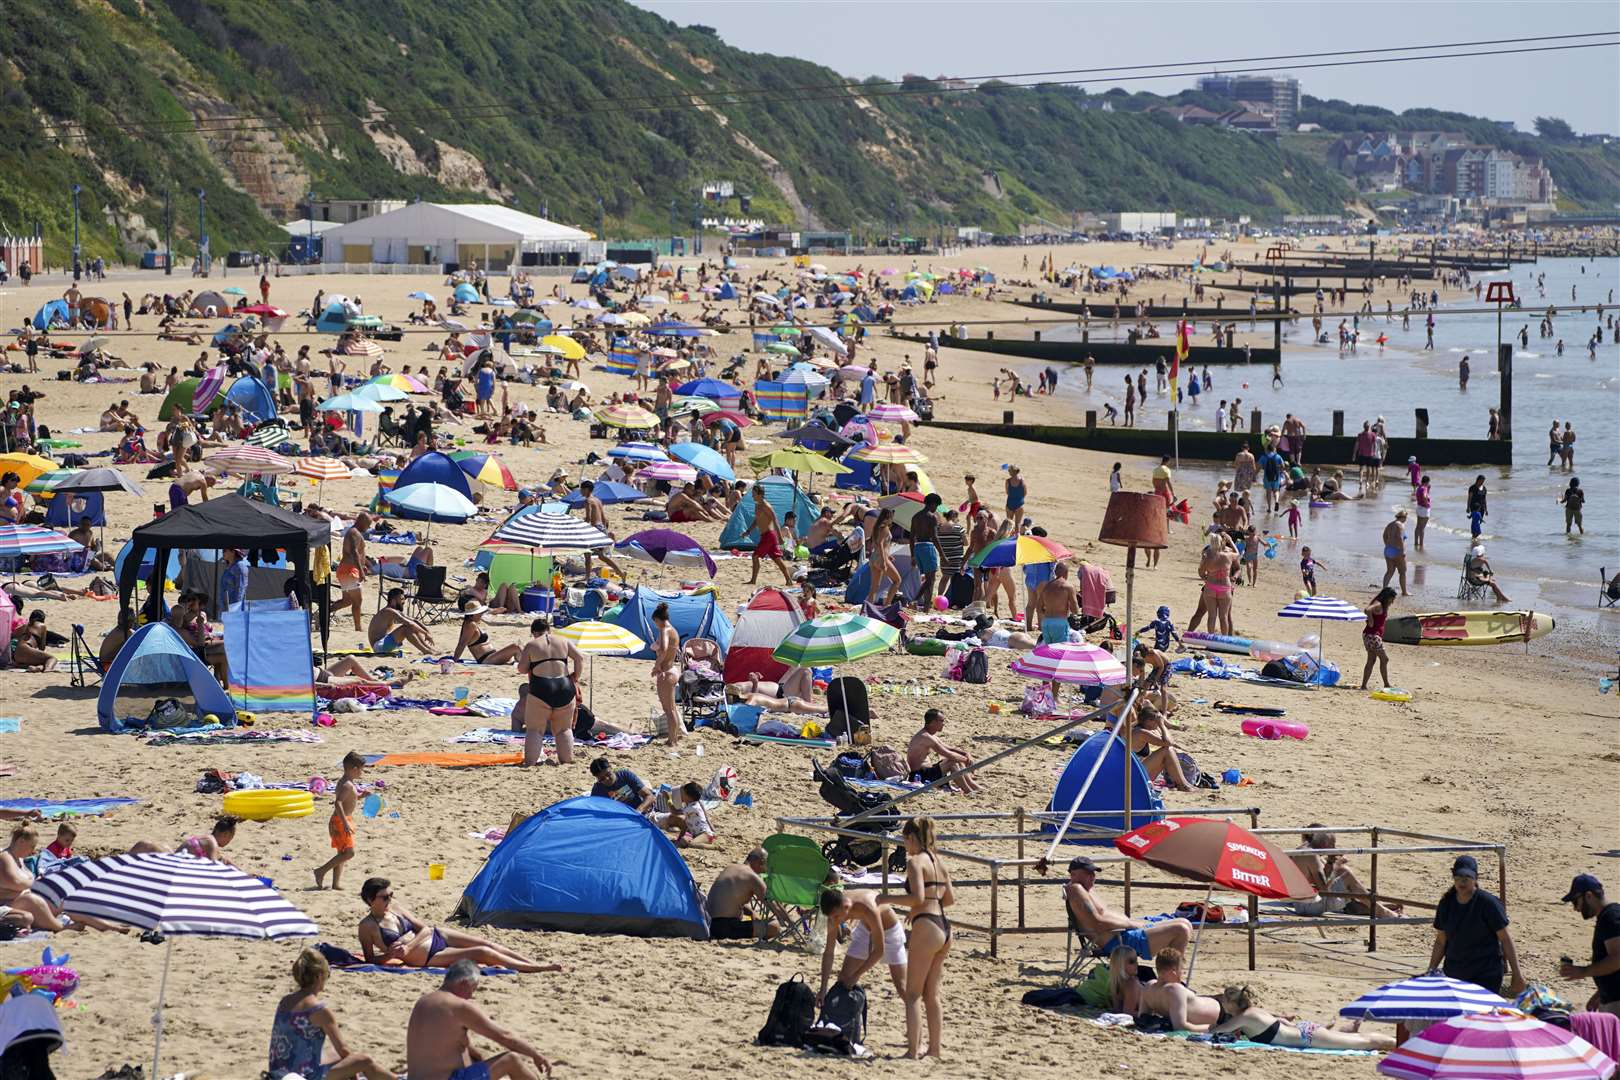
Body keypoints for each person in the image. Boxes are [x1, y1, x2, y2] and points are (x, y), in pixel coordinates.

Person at [361, 879, 561, 975]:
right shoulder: (367, 927)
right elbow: (370, 960)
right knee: (482, 952)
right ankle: (534, 968)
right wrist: (388, 957)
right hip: (428, 956)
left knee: (486, 942)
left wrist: (408, 946)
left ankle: (529, 961)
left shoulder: (395, 908)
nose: (390, 899)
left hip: (435, 937)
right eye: (385, 897)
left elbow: (425, 928)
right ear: (371, 900)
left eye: (391, 895)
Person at [876, 817, 954, 1059]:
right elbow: (949, 899)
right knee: (932, 994)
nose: (904, 845)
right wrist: (916, 908)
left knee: (912, 995)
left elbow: (918, 897)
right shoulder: (938, 861)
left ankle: (912, 1051)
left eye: (904, 840)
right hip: (944, 927)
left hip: (927, 927)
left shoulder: (915, 862)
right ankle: (934, 1049)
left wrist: (886, 899)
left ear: (911, 838)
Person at [406, 960, 554, 1080]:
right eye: (473, 989)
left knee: (477, 1060)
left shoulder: (423, 1001)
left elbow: (453, 1043)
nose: (471, 996)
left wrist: (478, 1058)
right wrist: (536, 1055)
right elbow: (505, 1037)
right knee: (511, 1059)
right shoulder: (458, 1006)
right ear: (464, 983)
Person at [268, 948, 385, 1080]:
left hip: (278, 1074)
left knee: (335, 1056)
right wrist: (354, 1074)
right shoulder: (319, 1009)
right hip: (303, 1076)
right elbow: (344, 1050)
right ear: (319, 976)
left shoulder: (285, 1001)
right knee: (365, 1060)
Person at [1427, 854, 1525, 997]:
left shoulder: (1488, 904)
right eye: (1458, 878)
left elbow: (1505, 939)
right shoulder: (1446, 904)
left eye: (1466, 878)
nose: (1462, 882)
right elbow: (1441, 941)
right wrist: (1431, 971)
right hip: (1455, 973)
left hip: (1486, 974)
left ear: (1475, 878)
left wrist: (1517, 974)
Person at [1064, 855, 1193, 961]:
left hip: (1124, 934)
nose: (1093, 876)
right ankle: (1172, 979)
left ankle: (1170, 976)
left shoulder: (1086, 890)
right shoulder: (1077, 890)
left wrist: (1133, 924)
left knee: (1185, 923)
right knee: (1181, 929)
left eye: (1093, 872)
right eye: (1088, 873)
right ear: (1074, 874)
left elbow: (1101, 917)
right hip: (1120, 942)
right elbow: (1098, 922)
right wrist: (1132, 924)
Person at [1209, 984, 1394, 1050]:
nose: (1221, 1002)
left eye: (1223, 999)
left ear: (1232, 1004)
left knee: (1367, 1042)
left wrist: (1211, 1027)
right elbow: (1280, 1021)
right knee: (1355, 1039)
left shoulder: (1243, 1018)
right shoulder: (1253, 1012)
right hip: (1306, 1032)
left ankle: (1402, 1043)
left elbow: (1216, 1031)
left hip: (1308, 1038)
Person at [819, 886, 909, 1004]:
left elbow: (878, 951)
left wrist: (856, 976)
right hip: (865, 929)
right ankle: (848, 1019)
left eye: (837, 917)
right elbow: (829, 952)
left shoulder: (868, 908)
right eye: (831, 918)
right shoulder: (833, 913)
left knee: (902, 988)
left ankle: (918, 1018)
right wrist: (823, 988)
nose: (835, 921)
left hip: (889, 930)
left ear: (846, 907)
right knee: (844, 979)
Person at [1289, 826, 1402, 918]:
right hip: (1309, 907)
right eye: (1332, 844)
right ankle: (1381, 911)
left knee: (1345, 878)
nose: (1334, 848)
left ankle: (1371, 906)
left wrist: (1330, 862)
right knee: (1345, 873)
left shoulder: (1301, 851)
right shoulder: (1312, 856)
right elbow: (1324, 889)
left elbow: (1318, 879)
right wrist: (1337, 866)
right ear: (1325, 844)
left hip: (1300, 904)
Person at [518, 615, 584, 766]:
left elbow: (521, 669)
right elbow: (579, 658)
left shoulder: (532, 645)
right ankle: (566, 761)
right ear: (549, 629)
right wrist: (575, 677)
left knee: (535, 730)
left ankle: (530, 763)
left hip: (541, 687)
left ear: (534, 632)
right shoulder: (563, 641)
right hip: (564, 686)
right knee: (564, 729)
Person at [1558, 874, 1620, 1016]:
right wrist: (1600, 993)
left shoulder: (1611, 917)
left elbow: (1617, 958)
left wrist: (1584, 971)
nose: (1576, 908)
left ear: (1589, 896)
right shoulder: (1608, 916)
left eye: (1575, 901)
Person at [314, 751, 363, 890]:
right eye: (361, 770)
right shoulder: (346, 784)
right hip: (340, 821)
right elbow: (338, 803)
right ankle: (320, 871)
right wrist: (345, 823)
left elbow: (350, 798)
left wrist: (361, 796)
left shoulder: (348, 782)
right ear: (354, 769)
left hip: (342, 820)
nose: (362, 773)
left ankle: (335, 884)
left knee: (342, 854)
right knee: (349, 853)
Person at [706, 849, 779, 941]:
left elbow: (731, 900)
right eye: (765, 864)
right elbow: (773, 905)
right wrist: (789, 921)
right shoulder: (752, 877)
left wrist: (752, 912)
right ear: (760, 862)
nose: (765, 869)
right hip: (727, 927)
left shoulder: (730, 868)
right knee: (774, 926)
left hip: (709, 923)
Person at [905, 709, 980, 793]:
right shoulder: (925, 737)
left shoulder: (931, 735)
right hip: (919, 775)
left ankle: (974, 786)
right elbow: (949, 754)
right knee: (953, 761)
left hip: (928, 772)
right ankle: (968, 790)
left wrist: (966, 754)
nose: (943, 724)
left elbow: (950, 749)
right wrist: (968, 761)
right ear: (933, 722)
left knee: (958, 761)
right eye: (941, 721)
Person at [744, 483, 793, 586]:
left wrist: (779, 536)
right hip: (765, 535)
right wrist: (748, 531)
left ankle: (753, 580)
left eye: (754, 494)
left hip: (769, 535)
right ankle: (789, 580)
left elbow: (775, 519)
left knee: (755, 556)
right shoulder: (757, 505)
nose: (752, 496)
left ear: (760, 494)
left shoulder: (766, 505)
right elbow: (757, 520)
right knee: (777, 559)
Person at [649, 603, 683, 747]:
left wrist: (657, 666)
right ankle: (673, 738)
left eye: (655, 622)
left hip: (666, 673)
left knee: (668, 710)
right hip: (672, 670)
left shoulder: (665, 630)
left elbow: (663, 650)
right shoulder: (674, 631)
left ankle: (672, 740)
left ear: (658, 620)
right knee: (672, 709)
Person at [369, 587, 438, 654]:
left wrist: (427, 632)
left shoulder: (394, 611)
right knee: (406, 628)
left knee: (412, 626)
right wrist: (425, 633)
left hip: (385, 643)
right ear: (393, 601)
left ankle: (429, 649)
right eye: (401, 599)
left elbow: (414, 621)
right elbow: (409, 623)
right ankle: (426, 651)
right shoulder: (389, 611)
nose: (403, 602)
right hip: (378, 647)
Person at [452, 600, 521, 665]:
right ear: (472, 615)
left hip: (491, 656)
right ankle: (528, 665)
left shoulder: (472, 622)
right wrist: (454, 661)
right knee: (516, 647)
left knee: (518, 648)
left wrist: (494, 611)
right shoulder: (470, 625)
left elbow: (487, 612)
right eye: (479, 613)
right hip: (486, 659)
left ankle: (527, 664)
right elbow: (462, 644)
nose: (481, 614)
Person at [1026, 561, 1079, 645]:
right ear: (1066, 573)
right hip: (1060, 622)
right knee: (1060, 648)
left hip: (1046, 623)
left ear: (1055, 572)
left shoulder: (1047, 586)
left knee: (1048, 649)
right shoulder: (1068, 587)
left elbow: (1039, 608)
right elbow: (1075, 609)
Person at [335, 512, 370, 631]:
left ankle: (323, 613)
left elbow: (357, 553)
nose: (368, 527)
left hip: (346, 570)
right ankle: (358, 628)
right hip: (350, 571)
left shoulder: (353, 532)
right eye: (368, 524)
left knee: (347, 601)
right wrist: (361, 571)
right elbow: (354, 552)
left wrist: (362, 564)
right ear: (361, 521)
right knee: (357, 601)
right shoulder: (354, 532)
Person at [908, 493, 942, 610]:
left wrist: (912, 555)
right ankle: (916, 599)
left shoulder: (915, 516)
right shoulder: (932, 517)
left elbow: (911, 537)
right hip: (928, 547)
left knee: (929, 579)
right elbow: (935, 537)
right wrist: (943, 555)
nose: (936, 508)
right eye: (936, 505)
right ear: (932, 504)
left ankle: (926, 607)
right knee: (931, 579)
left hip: (917, 548)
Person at [1358, 587, 1396, 691]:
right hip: (1373, 636)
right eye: (1392, 599)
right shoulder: (1378, 604)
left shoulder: (1379, 604)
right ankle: (1386, 684)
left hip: (1369, 635)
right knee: (1384, 659)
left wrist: (1370, 620)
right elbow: (1367, 609)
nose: (1392, 601)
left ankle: (1364, 685)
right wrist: (1370, 621)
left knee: (1371, 660)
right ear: (1387, 597)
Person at [588, 757, 654, 810]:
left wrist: (638, 811)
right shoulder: (597, 791)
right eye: (602, 779)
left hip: (638, 812)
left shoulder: (625, 776)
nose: (607, 779)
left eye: (608, 774)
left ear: (611, 768)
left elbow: (649, 796)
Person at [1381, 509, 1409, 596]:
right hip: (1397, 550)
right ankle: (1404, 592)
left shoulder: (1390, 524)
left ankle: (1384, 589)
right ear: (1404, 517)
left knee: (1389, 571)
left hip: (1388, 550)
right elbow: (1400, 538)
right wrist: (1402, 551)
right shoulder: (1401, 525)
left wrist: (1387, 544)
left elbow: (1384, 535)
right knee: (1402, 572)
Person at [1467, 475, 1488, 539]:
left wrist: (1486, 509)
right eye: (1481, 480)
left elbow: (1484, 499)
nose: (1482, 482)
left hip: (1481, 507)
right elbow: (1469, 498)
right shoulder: (1472, 488)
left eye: (1483, 481)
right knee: (1475, 521)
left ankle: (1474, 536)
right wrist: (1468, 507)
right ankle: (1474, 536)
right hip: (1474, 506)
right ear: (1478, 480)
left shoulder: (1484, 488)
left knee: (1479, 522)